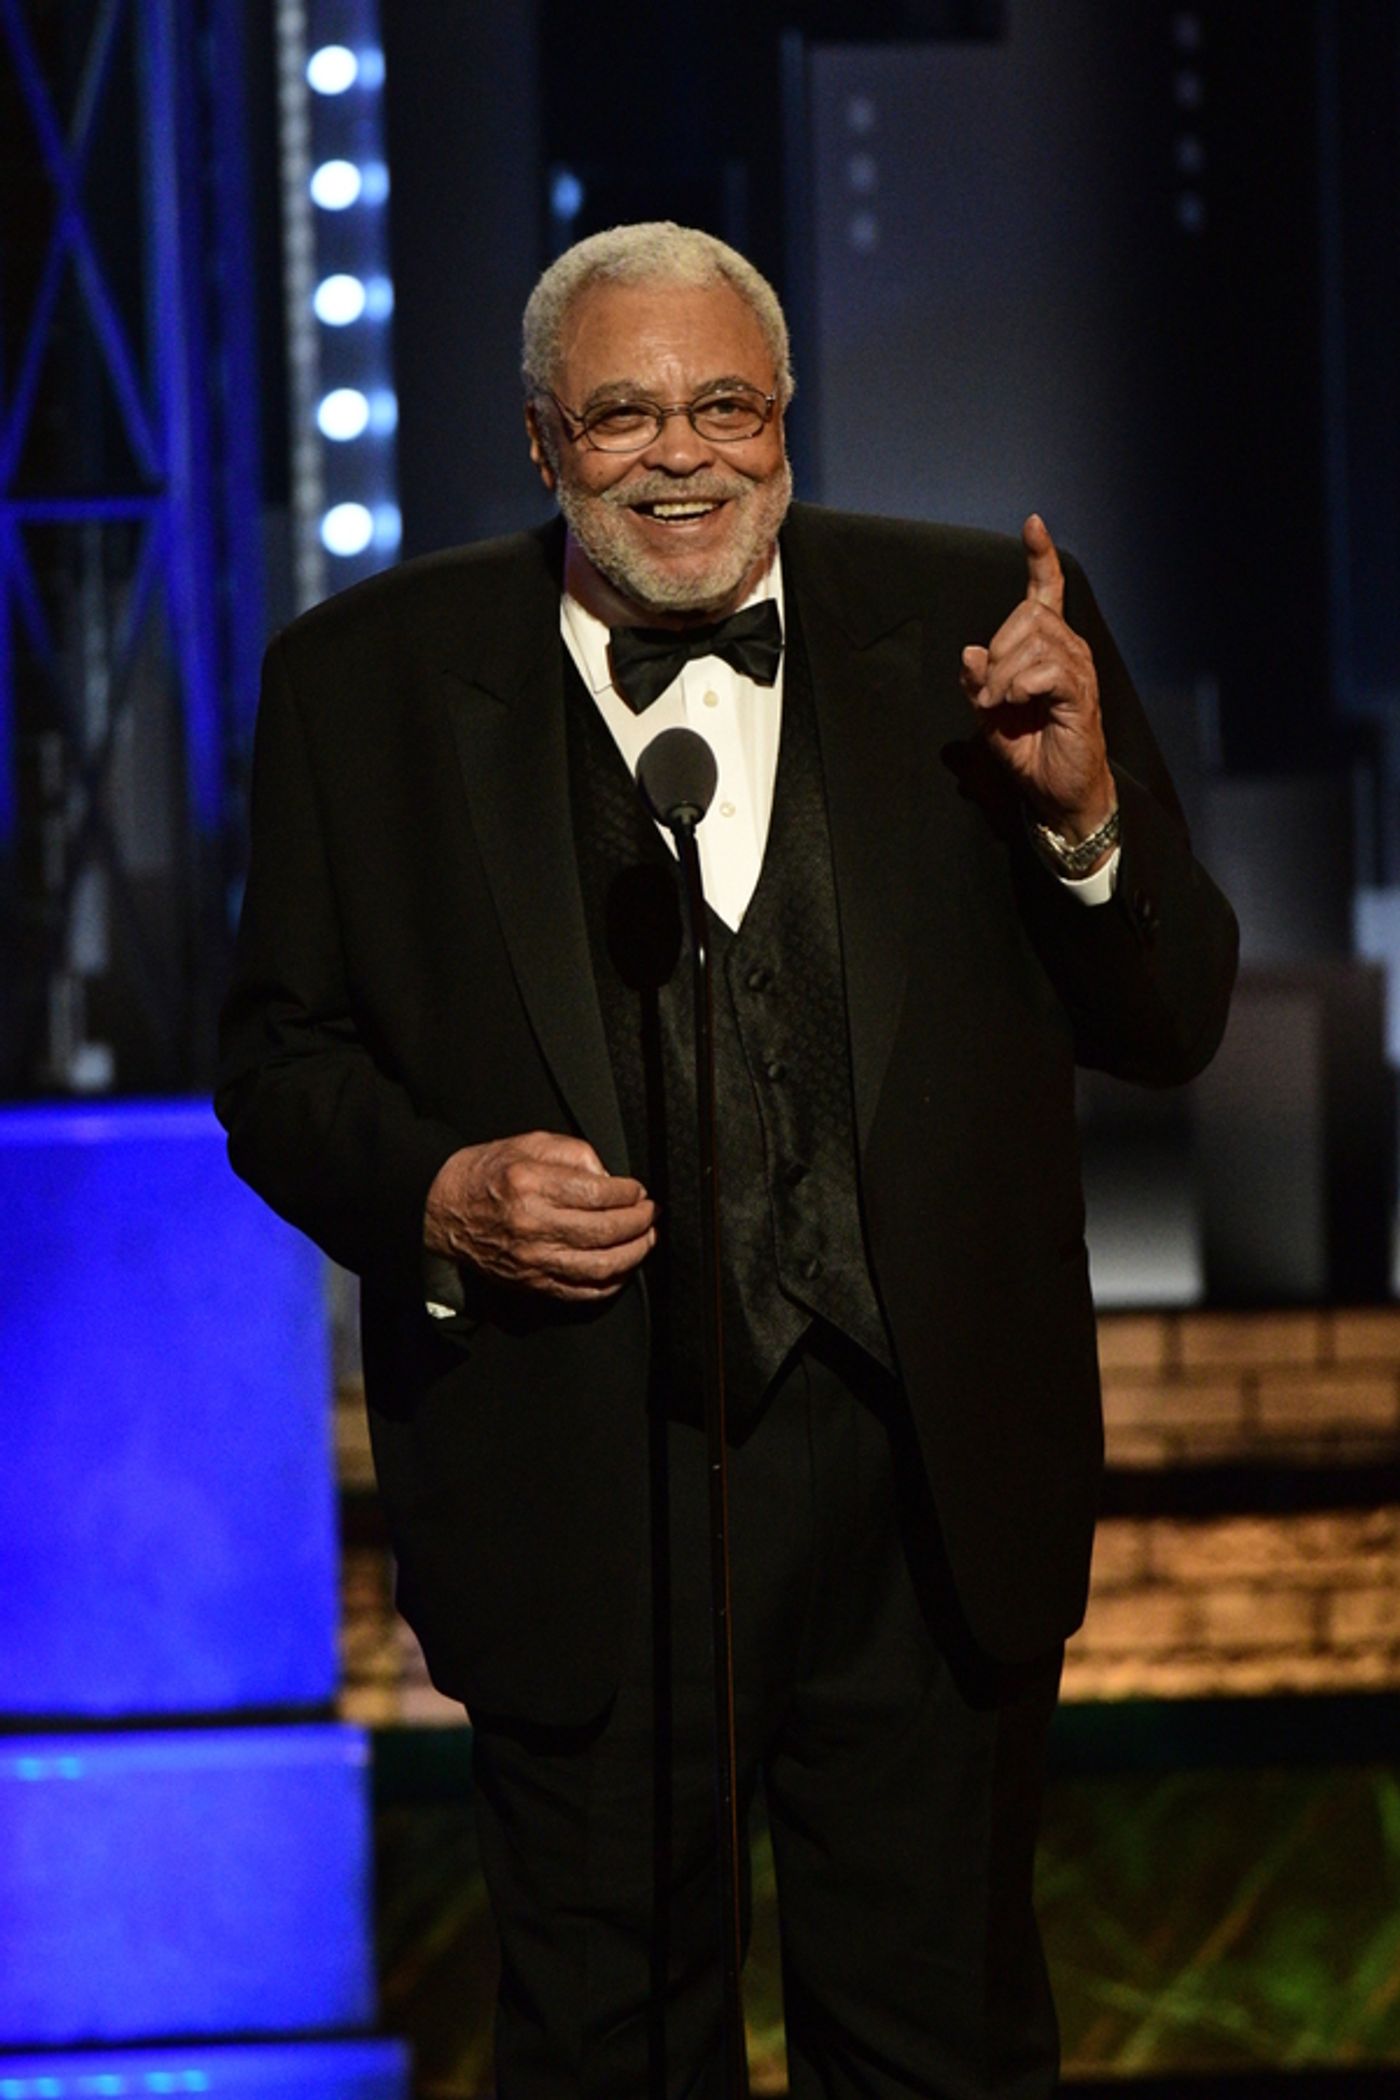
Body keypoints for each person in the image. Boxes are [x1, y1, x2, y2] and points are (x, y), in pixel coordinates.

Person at [217, 222, 1237, 2098]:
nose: (678, 453)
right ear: (542, 442)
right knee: (610, 2059)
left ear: (787, 422)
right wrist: (437, 1195)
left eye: (724, 406)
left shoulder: (982, 637)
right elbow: (273, 1060)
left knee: (941, 2052)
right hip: (578, 1499)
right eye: (622, 414)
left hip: (928, 1505)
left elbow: (1171, 1022)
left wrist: (1088, 815)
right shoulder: (359, 683)